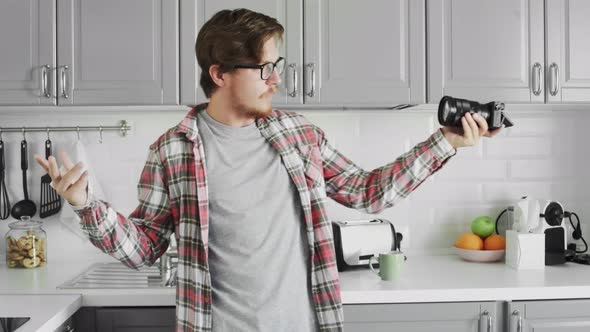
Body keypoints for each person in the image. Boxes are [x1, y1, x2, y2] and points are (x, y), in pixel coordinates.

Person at [34, 8, 500, 332]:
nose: (277, 79)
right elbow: (145, 248)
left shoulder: (299, 135)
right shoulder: (174, 151)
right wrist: (86, 206)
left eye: (278, 65)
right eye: (264, 68)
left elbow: (366, 193)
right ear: (220, 74)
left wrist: (446, 143)